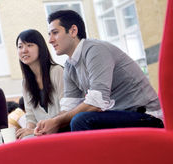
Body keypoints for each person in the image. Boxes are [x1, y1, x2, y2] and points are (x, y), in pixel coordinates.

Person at [34, 9, 163, 135]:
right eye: (49, 35)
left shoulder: (95, 50)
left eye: (55, 33)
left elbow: (96, 104)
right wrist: (49, 124)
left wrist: (56, 121)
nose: (50, 40)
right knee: (58, 128)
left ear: (73, 31)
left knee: (81, 120)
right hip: (118, 114)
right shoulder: (70, 65)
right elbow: (68, 109)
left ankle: (92, 157)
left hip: (146, 115)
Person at [15, 29, 64, 139]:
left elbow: (67, 109)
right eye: (20, 46)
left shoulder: (56, 71)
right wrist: (27, 130)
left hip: (63, 129)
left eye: (30, 45)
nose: (24, 50)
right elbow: (31, 117)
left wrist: (33, 130)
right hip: (41, 134)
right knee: (24, 140)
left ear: (40, 48)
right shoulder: (25, 83)